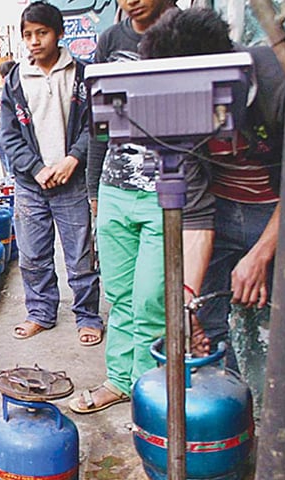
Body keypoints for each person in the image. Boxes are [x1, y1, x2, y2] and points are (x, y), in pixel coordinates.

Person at [69, 0, 214, 414]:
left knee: (153, 298)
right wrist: (95, 188)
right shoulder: (111, 39)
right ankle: (120, 380)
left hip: (167, 191)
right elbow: (97, 126)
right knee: (119, 295)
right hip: (116, 186)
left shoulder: (190, 35)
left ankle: (150, 397)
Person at [140, 7, 285, 396]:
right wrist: (186, 302)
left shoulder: (282, 80)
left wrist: (260, 253)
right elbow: (198, 216)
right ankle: (236, 416)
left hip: (282, 211)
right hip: (221, 211)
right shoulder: (179, 108)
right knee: (205, 321)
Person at [0, 1, 103, 346]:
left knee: (80, 256)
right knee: (32, 255)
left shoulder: (82, 76)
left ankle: (87, 315)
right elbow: (8, 135)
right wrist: (36, 168)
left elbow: (96, 126)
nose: (34, 41)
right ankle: (40, 312)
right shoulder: (16, 80)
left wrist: (73, 159)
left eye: (41, 33)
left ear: (59, 34)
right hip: (32, 185)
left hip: (71, 183)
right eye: (28, 35)